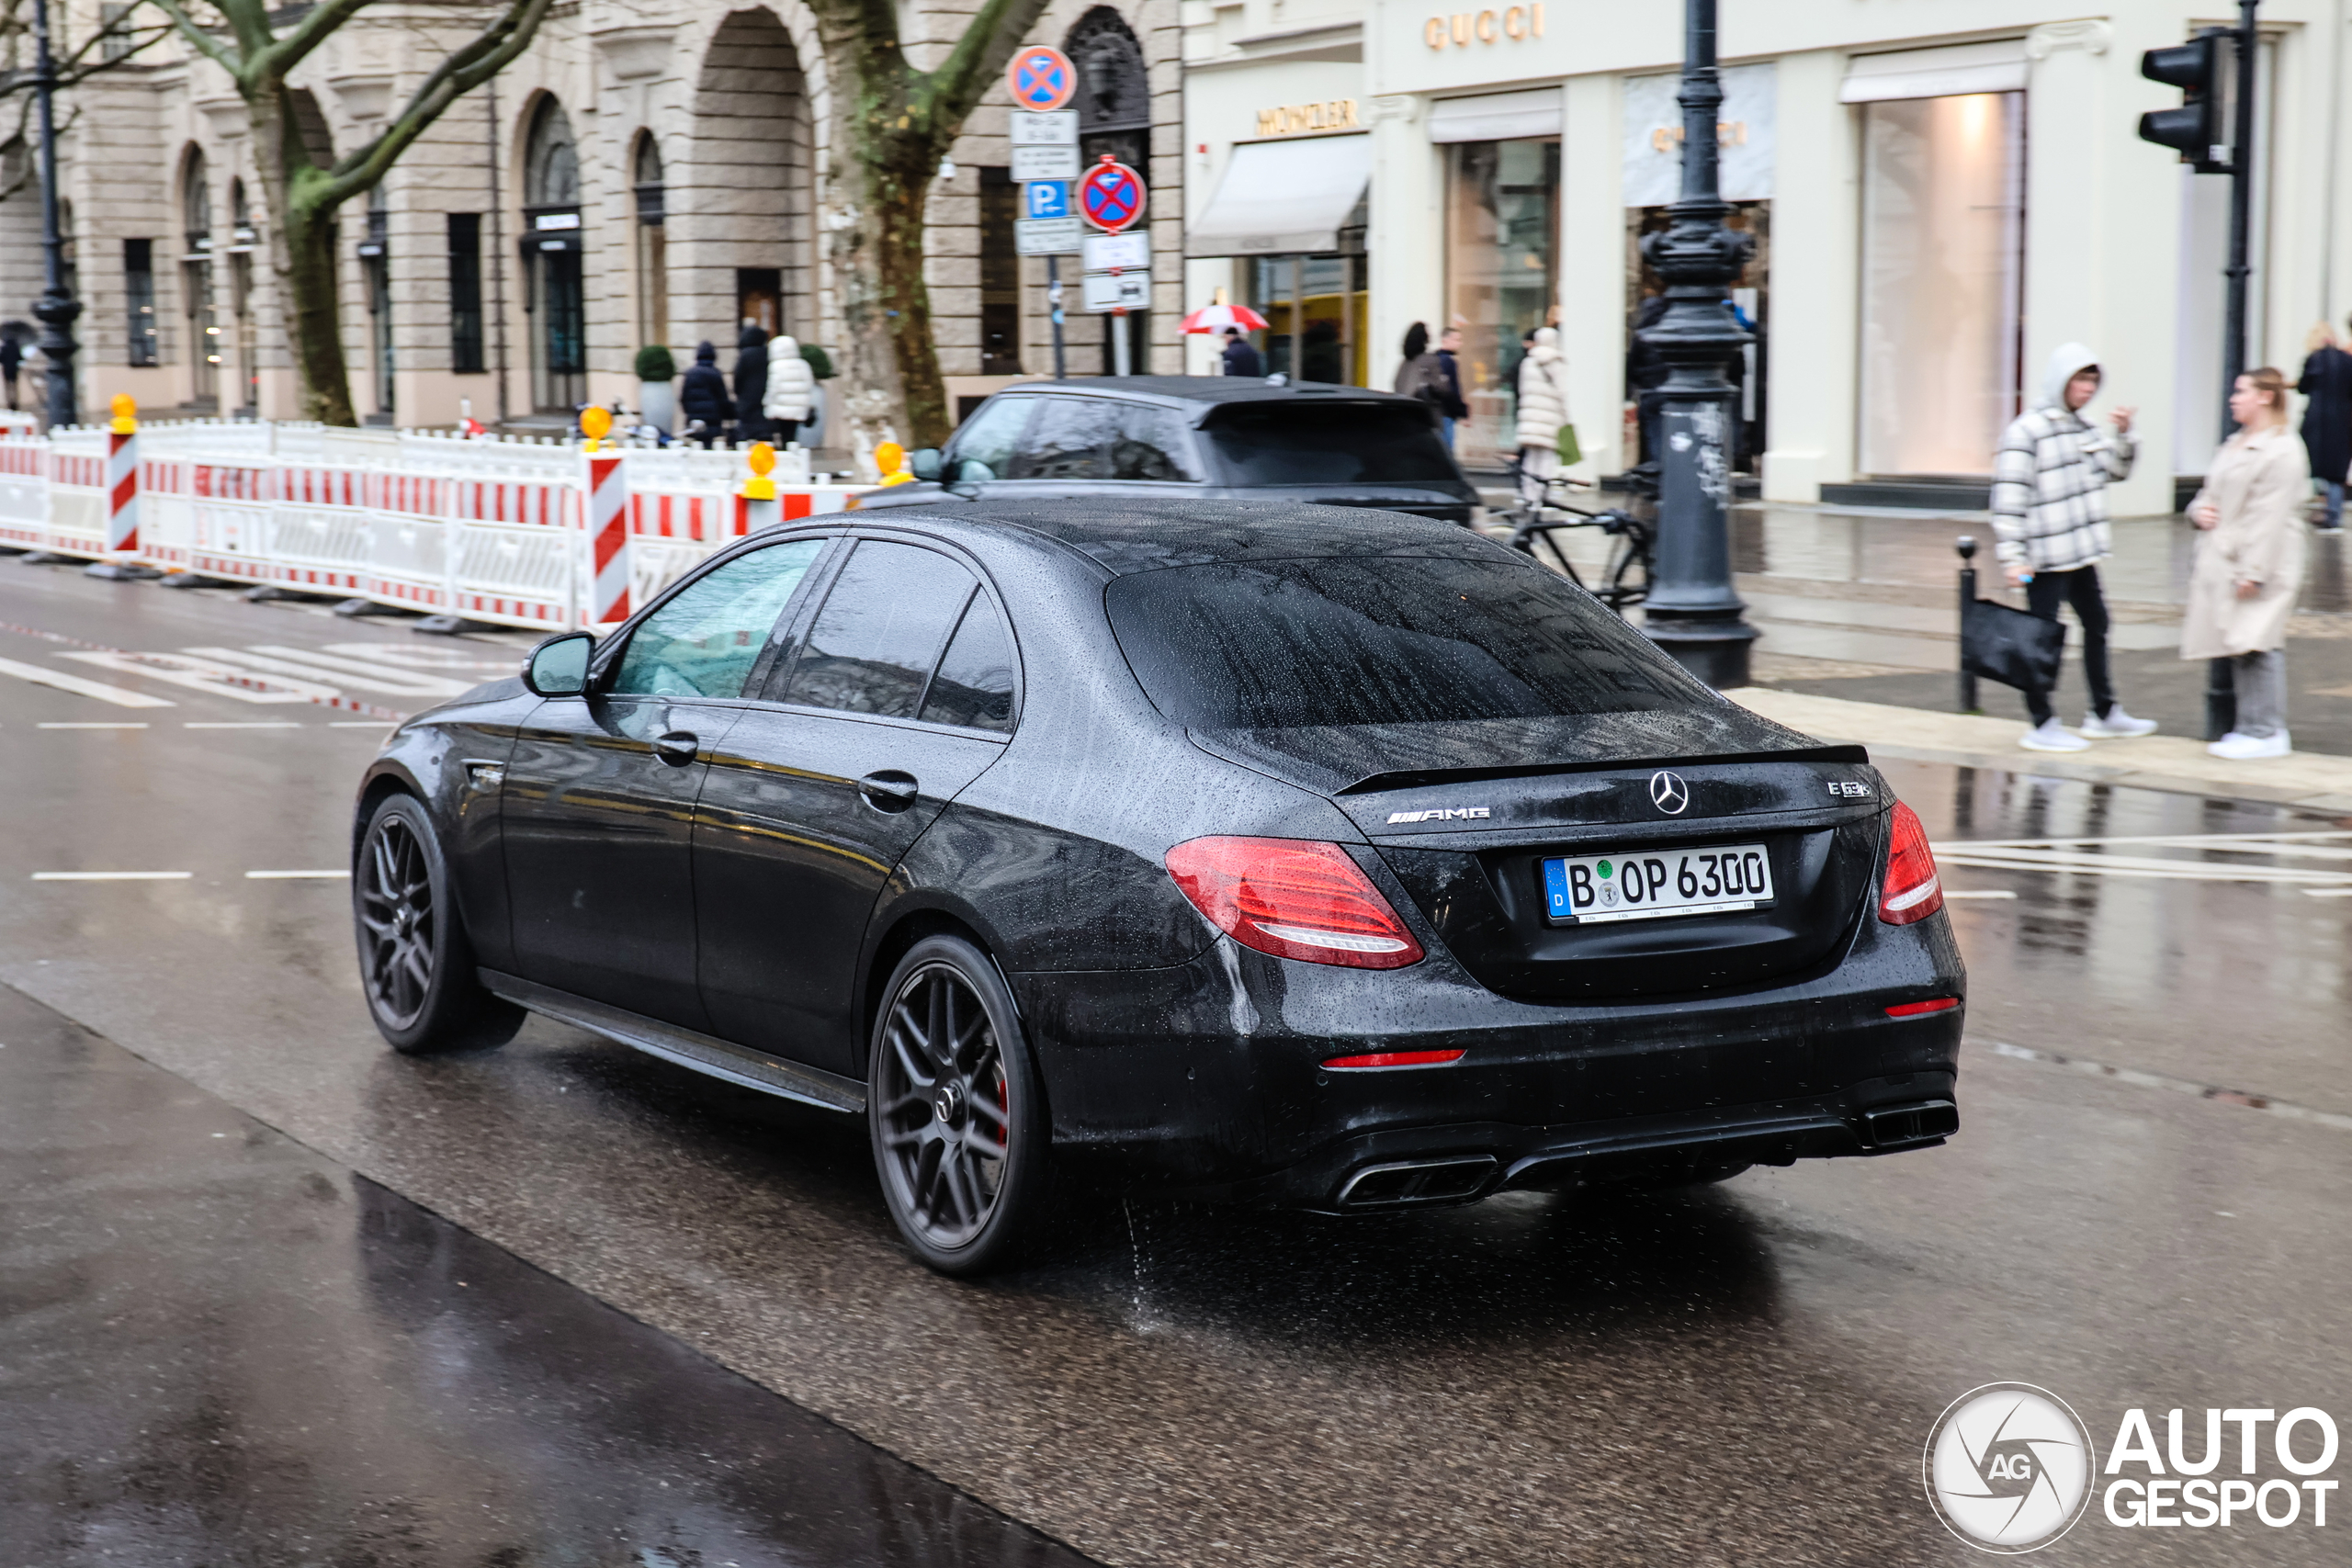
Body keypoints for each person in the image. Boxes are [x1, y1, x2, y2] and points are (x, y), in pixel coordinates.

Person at [1990, 343, 2159, 752]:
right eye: (2080, 379)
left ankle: (2103, 712)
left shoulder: (2084, 428)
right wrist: (2013, 559)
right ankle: (2042, 721)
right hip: (2042, 560)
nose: (2087, 388)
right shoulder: (2027, 430)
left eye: (2093, 380)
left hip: (2081, 556)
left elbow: (2116, 471)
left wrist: (2124, 434)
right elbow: (2008, 496)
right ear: (2060, 380)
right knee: (2040, 639)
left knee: (2098, 624)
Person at [2184, 367, 2309, 760]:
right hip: (2224, 556)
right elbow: (2210, 493)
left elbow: (2268, 518)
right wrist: (2197, 511)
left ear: (2265, 397)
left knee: (2257, 640)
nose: (2234, 398)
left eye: (2242, 391)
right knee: (2237, 640)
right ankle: (2246, 726)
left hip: (2260, 560)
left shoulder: (2282, 450)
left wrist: (2253, 571)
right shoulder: (2236, 442)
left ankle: (2265, 729)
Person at [2296, 321, 2351, 531]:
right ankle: (2333, 514)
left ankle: (2325, 505)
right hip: (2342, 419)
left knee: (2317, 464)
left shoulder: (2314, 358)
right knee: (2337, 470)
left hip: (2317, 419)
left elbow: (2303, 386)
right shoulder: (2347, 360)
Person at [1513, 326, 1571, 505]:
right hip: (1549, 417)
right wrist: (1566, 416)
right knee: (1546, 458)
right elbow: (1563, 391)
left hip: (1530, 417)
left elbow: (1522, 390)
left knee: (1531, 458)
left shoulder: (1528, 362)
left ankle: (1529, 496)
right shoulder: (1555, 361)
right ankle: (1541, 498)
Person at [762, 334, 817, 446]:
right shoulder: (803, 365)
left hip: (780, 407)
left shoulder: (776, 366)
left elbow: (773, 387)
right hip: (798, 407)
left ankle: (785, 454)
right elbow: (809, 385)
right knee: (792, 434)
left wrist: (767, 402)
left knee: (781, 434)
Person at [680, 341, 730, 448]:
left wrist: (690, 413)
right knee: (711, 447)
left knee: (695, 446)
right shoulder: (715, 373)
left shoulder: (690, 373)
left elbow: (684, 398)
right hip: (713, 419)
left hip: (695, 419)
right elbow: (722, 398)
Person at [732, 324, 773, 446]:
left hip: (746, 396)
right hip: (763, 393)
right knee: (762, 426)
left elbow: (738, 376)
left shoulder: (745, 354)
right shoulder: (766, 353)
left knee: (746, 427)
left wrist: (738, 392)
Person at [1431, 325, 1469, 450]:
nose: (1460, 343)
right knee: (1447, 449)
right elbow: (1452, 389)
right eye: (1457, 340)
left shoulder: (1433, 359)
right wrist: (1461, 411)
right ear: (1445, 340)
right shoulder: (1448, 361)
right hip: (1446, 413)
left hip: (1436, 411)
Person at [0, 334, 21, 412]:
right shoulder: (16, 347)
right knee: (14, 387)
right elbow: (20, 357)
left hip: (6, 370)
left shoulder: (4, 348)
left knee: (8, 387)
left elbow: (1, 358)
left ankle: (9, 402)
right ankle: (15, 402)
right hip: (14, 369)